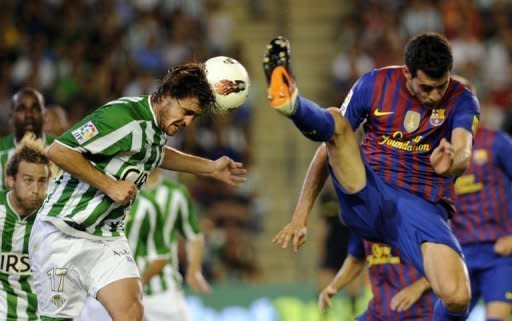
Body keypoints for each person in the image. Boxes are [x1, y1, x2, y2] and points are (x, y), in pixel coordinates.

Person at [265, 32, 479, 321]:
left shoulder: (461, 99)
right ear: (407, 73)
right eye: (426, 88)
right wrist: (300, 216)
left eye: (441, 86)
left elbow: (464, 150)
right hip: (368, 194)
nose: (435, 96)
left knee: (457, 297)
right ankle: (293, 104)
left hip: (421, 208)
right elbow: (328, 148)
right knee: (337, 123)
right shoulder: (373, 84)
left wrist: (453, 163)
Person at [28, 62, 246, 321]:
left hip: (106, 238)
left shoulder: (156, 128)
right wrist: (109, 185)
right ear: (166, 96)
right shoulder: (121, 116)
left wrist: (210, 168)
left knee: (132, 313)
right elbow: (59, 151)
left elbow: (156, 154)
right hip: (62, 232)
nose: (188, 122)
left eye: (194, 117)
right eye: (186, 112)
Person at [139, 169, 210, 321]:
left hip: (164, 289)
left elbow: (194, 235)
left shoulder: (176, 193)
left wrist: (194, 269)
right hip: (120, 290)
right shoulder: (118, 190)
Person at [319, 234, 436, 321]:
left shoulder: (417, 215)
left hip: (420, 313)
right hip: (378, 313)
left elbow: (447, 264)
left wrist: (418, 287)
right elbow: (355, 260)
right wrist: (332, 287)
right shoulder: (361, 220)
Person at [0, 133, 51, 320]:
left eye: (42, 181)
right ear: (11, 180)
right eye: (28, 180)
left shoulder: (54, 221)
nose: (36, 190)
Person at [0, 87, 53, 190]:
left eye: (35, 108)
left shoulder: (58, 148)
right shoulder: (1, 149)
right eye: (21, 109)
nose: (29, 115)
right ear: (11, 117)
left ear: (45, 115)